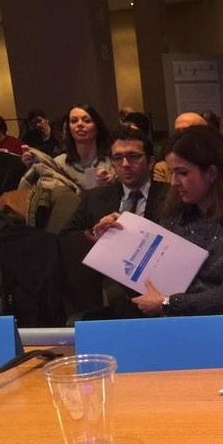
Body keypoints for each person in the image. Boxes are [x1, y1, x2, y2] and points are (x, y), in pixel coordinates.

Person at [90, 125, 223, 324]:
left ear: (211, 173)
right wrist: (115, 245)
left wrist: (168, 303)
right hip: (171, 325)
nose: (174, 182)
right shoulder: (176, 214)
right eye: (172, 172)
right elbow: (145, 290)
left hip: (219, 329)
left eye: (182, 172)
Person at [59, 126, 170, 316]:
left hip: (158, 288)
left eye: (133, 156)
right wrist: (97, 237)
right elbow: (66, 237)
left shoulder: (170, 196)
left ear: (151, 161)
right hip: (109, 291)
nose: (125, 164)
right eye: (118, 158)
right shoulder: (95, 198)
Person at [22, 103, 114, 189]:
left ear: (97, 128)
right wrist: (30, 167)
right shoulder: (59, 164)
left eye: (86, 120)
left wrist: (114, 183)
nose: (80, 124)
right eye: (74, 121)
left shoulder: (113, 159)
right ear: (68, 129)